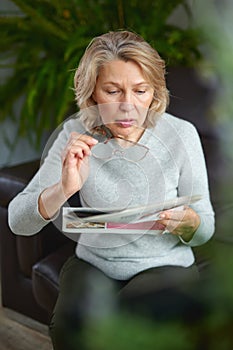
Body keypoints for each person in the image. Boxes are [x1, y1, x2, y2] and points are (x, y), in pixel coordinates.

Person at [8, 30, 215, 349]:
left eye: (141, 91)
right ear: (92, 94)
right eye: (112, 91)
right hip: (94, 260)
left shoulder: (181, 135)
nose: (128, 106)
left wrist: (188, 222)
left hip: (164, 265)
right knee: (70, 326)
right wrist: (63, 188)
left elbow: (205, 228)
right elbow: (17, 221)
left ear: (155, 92)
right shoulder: (74, 134)